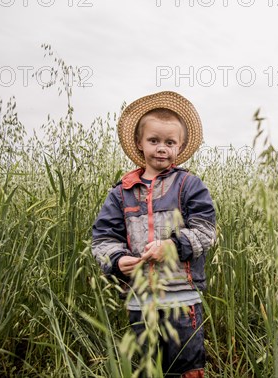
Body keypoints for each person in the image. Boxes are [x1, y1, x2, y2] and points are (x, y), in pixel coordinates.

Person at [91, 91, 216, 377]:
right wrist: (116, 259)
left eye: (169, 142)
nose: (162, 148)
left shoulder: (189, 186)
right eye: (154, 141)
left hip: (182, 301)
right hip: (140, 300)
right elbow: (102, 239)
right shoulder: (121, 193)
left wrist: (170, 246)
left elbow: (206, 232)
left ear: (180, 146)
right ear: (139, 143)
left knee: (186, 368)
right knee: (149, 368)